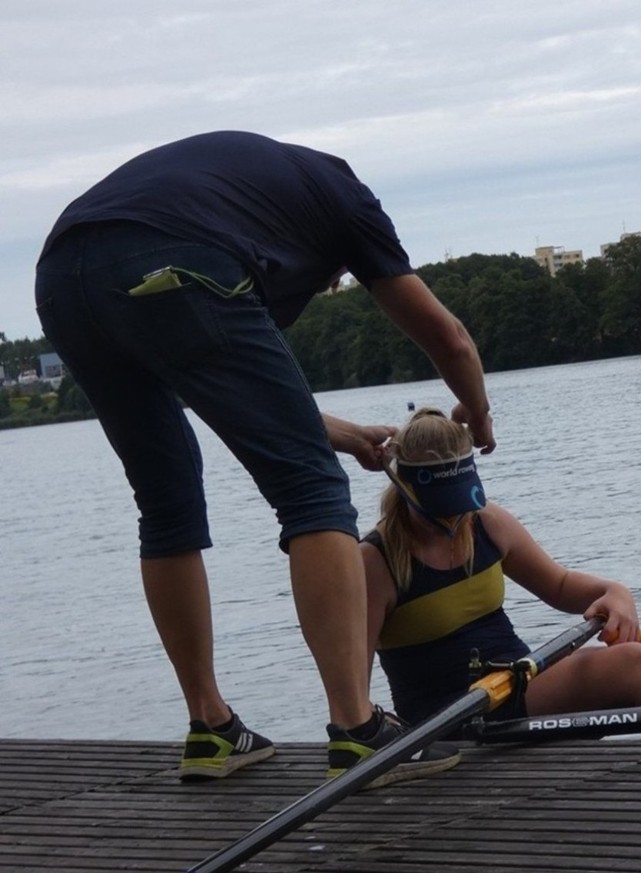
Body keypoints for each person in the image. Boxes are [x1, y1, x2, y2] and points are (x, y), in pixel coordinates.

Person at [33, 131, 495, 787]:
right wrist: (476, 408)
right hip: (171, 259)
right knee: (314, 494)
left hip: (62, 278)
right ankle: (358, 728)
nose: (330, 285)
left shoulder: (249, 195)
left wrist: (345, 435)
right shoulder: (349, 203)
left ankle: (211, 727)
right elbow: (447, 338)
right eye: (335, 279)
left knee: (165, 504)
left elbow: (230, 392)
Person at [361, 408, 641, 737]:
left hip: (516, 681)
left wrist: (614, 590)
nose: (457, 519)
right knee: (634, 664)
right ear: (405, 487)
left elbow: (562, 586)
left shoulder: (488, 523)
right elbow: (351, 673)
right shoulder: (375, 561)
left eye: (461, 503)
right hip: (450, 716)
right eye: (443, 508)